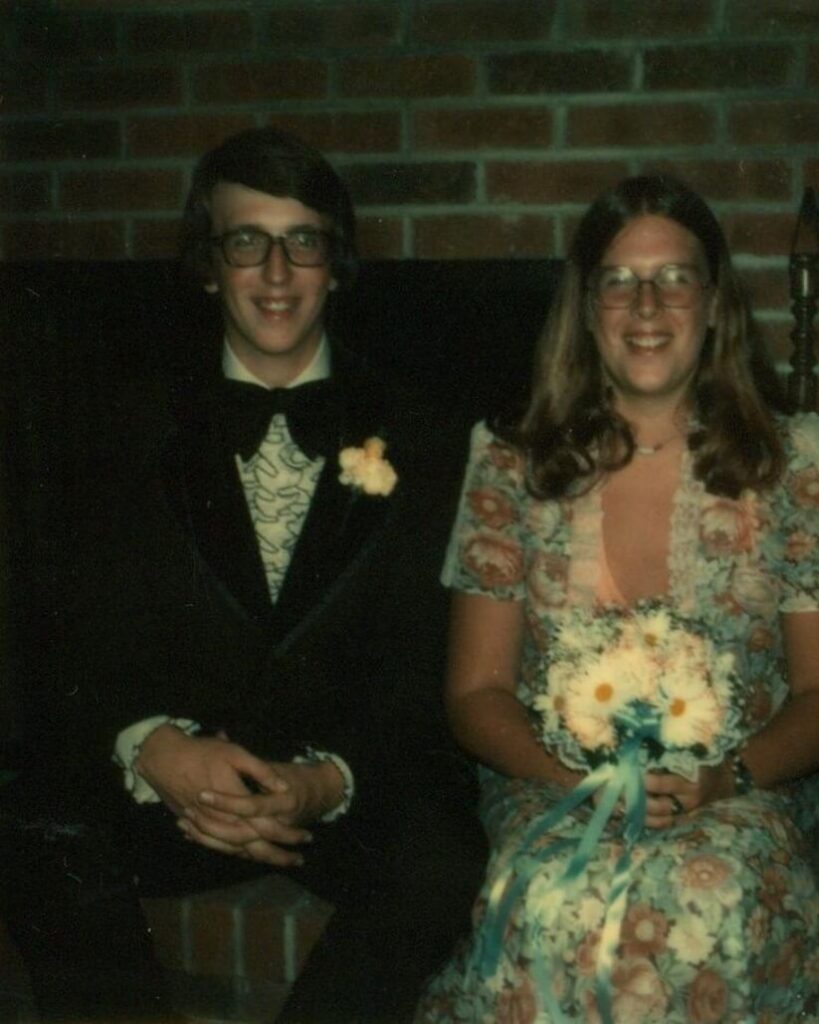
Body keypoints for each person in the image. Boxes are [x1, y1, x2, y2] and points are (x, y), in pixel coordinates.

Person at [0, 127, 485, 1023]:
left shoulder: (429, 433)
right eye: (245, 241)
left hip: (335, 794)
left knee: (445, 858)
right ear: (208, 266)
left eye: (302, 242)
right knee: (31, 838)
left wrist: (324, 780)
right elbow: (75, 627)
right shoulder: (121, 422)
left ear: (335, 266)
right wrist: (157, 747)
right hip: (169, 790)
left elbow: (430, 650)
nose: (274, 271)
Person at [416, 174, 819, 1022]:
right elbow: (475, 692)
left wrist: (719, 779)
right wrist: (568, 779)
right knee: (562, 897)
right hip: (550, 777)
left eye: (673, 277)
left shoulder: (795, 459)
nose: (646, 305)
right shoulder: (510, 459)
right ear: (586, 309)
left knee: (700, 894)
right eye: (619, 281)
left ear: (714, 304)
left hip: (744, 780)